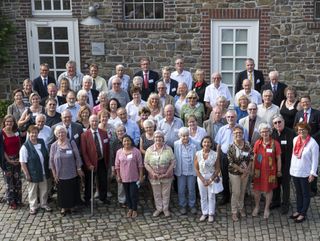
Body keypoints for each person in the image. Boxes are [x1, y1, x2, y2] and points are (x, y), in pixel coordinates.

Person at [49, 125, 84, 216]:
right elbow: (51, 161)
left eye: (63, 132)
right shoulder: (54, 146)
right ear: (56, 134)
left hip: (72, 172)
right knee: (62, 192)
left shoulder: (71, 143)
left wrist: (79, 168)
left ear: (66, 133)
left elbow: (77, 156)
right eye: (59, 132)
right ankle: (64, 207)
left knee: (72, 190)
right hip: (60, 174)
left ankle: (72, 206)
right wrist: (54, 174)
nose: (61, 134)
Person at [290, 122, 319, 223]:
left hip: (305, 173)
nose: (301, 131)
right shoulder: (295, 139)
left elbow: (315, 160)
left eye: (303, 130)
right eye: (299, 130)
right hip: (295, 171)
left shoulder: (313, 143)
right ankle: (298, 210)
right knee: (298, 193)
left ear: (308, 130)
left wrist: (312, 173)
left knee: (305, 194)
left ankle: (303, 213)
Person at [20, 125, 52, 215]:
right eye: (32, 133)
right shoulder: (25, 147)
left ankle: (44, 204)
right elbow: (22, 162)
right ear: (29, 134)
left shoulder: (41, 142)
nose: (34, 134)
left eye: (36, 132)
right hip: (32, 172)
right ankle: (33, 207)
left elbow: (46, 154)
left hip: (44, 170)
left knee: (44, 189)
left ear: (38, 133)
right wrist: (27, 174)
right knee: (32, 190)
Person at [252, 123, 281, 219]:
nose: (265, 133)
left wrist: (279, 170)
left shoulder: (275, 144)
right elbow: (255, 157)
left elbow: (278, 158)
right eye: (263, 131)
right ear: (260, 133)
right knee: (257, 189)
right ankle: (257, 207)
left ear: (270, 132)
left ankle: (266, 208)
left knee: (268, 190)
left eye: (266, 131)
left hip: (270, 171)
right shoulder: (257, 143)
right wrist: (252, 170)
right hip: (258, 171)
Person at [144, 130, 176, 217]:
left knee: (166, 193)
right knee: (156, 193)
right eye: (156, 137)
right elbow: (146, 163)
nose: (158, 139)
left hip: (166, 175)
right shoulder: (149, 150)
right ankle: (159, 209)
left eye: (160, 137)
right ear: (154, 139)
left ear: (163, 138)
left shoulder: (168, 149)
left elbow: (173, 162)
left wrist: (167, 172)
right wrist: (152, 172)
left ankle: (165, 209)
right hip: (154, 176)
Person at [215, 110, 243, 205]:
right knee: (225, 177)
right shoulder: (222, 129)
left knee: (236, 177)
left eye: (232, 117)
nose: (230, 119)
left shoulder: (241, 129)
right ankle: (226, 196)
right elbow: (218, 145)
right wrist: (217, 158)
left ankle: (237, 197)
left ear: (236, 117)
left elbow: (245, 143)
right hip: (224, 156)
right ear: (226, 118)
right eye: (228, 117)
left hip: (237, 157)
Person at [81, 115, 110, 205]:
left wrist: (107, 161)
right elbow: (84, 152)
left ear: (99, 122)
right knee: (89, 182)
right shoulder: (84, 135)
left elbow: (107, 148)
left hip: (101, 161)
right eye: (92, 121)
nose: (94, 123)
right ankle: (87, 199)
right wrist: (88, 164)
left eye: (96, 121)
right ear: (89, 122)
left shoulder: (104, 133)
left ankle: (103, 197)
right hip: (91, 163)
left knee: (103, 180)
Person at [227, 126, 253, 221]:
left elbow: (251, 158)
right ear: (233, 134)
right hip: (234, 173)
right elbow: (231, 162)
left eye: (240, 132)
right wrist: (241, 170)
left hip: (245, 172)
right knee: (236, 192)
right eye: (236, 133)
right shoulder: (231, 147)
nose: (238, 134)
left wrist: (246, 171)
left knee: (242, 192)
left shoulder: (247, 145)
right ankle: (234, 211)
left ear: (243, 134)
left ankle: (241, 208)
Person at [271, 114, 295, 214]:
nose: (278, 124)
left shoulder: (291, 133)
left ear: (283, 121)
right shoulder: (272, 134)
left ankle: (285, 204)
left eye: (279, 122)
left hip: (287, 164)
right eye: (275, 123)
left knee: (285, 185)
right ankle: (276, 201)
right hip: (275, 165)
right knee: (275, 184)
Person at [115, 135, 144, 218]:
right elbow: (117, 165)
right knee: (127, 195)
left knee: (133, 194)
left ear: (131, 141)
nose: (126, 142)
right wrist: (118, 176)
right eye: (124, 141)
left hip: (134, 177)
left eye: (128, 140)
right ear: (122, 142)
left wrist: (141, 176)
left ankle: (134, 209)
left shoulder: (136, 151)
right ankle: (130, 208)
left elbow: (140, 165)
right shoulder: (119, 152)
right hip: (124, 178)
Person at [174, 127, 200, 215]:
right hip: (181, 170)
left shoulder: (196, 144)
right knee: (181, 189)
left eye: (187, 135)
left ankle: (192, 205)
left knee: (191, 189)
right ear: (179, 136)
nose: (185, 138)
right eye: (183, 136)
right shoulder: (176, 144)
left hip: (192, 170)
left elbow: (199, 156)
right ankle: (182, 205)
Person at [194, 136, 220, 223]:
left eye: (208, 142)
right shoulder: (198, 154)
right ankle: (204, 213)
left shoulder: (215, 154)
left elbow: (217, 169)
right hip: (201, 177)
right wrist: (202, 180)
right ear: (202, 143)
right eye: (204, 142)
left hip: (211, 176)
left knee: (211, 196)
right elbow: (196, 169)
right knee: (203, 196)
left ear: (211, 144)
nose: (206, 144)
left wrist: (210, 180)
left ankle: (211, 213)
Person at [1, 115, 22, 209]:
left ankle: (18, 200)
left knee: (17, 180)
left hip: (17, 159)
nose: (9, 123)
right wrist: (9, 160)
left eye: (11, 122)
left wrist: (20, 158)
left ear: (14, 123)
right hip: (7, 160)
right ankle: (11, 201)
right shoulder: (1, 133)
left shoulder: (16, 132)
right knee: (9, 182)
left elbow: (20, 144)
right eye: (7, 121)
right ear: (4, 122)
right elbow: (2, 150)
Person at [110, 124, 127, 206]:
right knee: (120, 183)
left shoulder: (128, 140)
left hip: (129, 166)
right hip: (119, 167)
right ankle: (121, 200)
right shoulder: (114, 143)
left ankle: (129, 199)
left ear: (125, 132)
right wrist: (113, 168)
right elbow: (112, 156)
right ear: (116, 133)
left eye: (121, 131)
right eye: (118, 131)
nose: (120, 132)